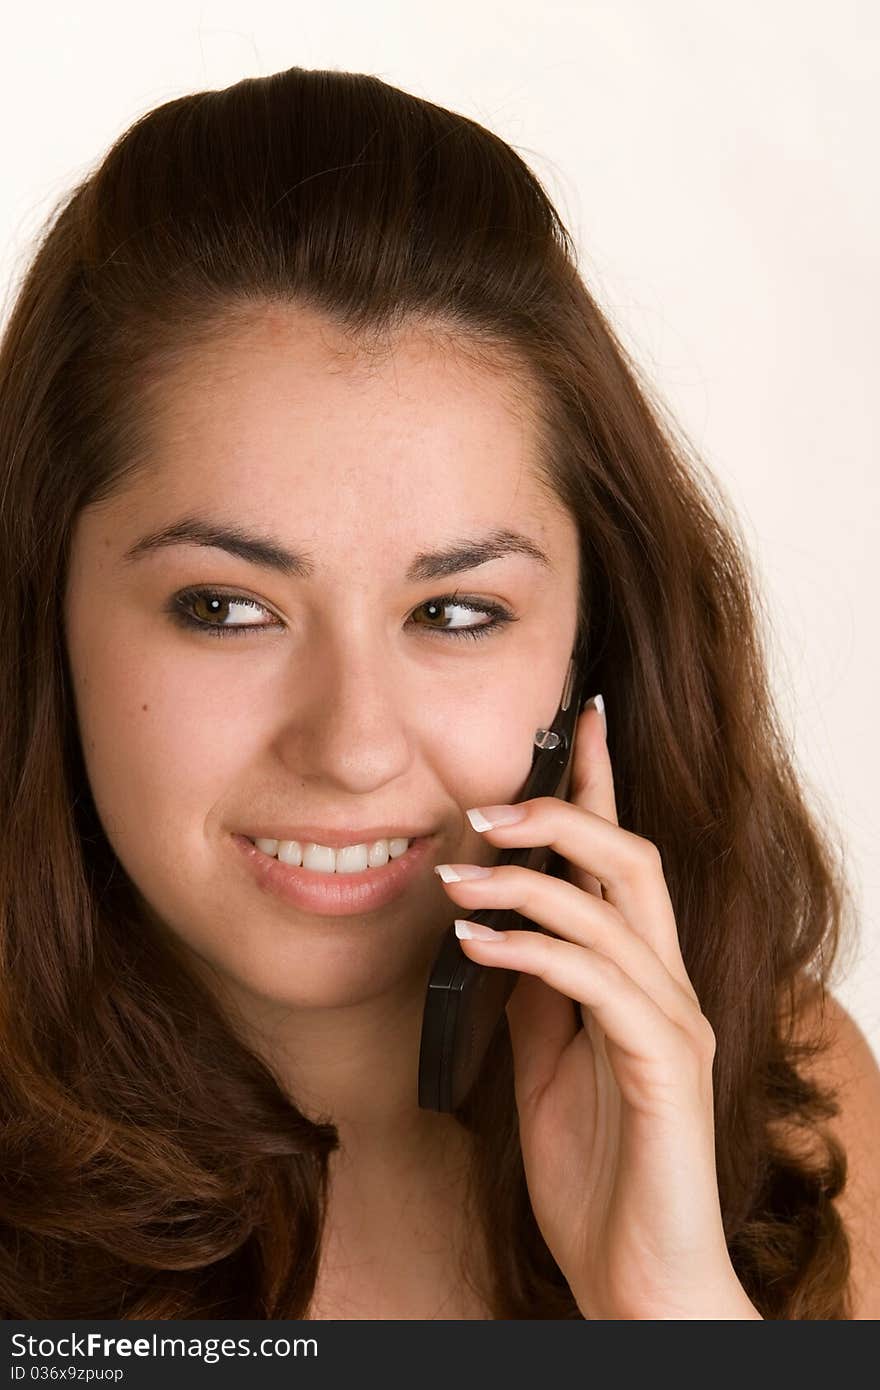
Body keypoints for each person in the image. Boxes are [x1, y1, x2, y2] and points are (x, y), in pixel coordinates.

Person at [0, 65, 877, 1322]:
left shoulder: (787, 1094)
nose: (353, 745)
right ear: (43, 609)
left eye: (454, 614)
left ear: (589, 645)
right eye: (225, 608)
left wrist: (673, 1310)